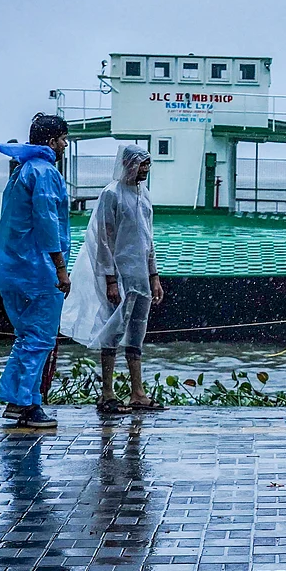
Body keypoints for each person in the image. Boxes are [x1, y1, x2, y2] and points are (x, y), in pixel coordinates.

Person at [60, 144, 165, 414]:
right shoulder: (111, 194)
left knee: (137, 330)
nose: (146, 169)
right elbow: (103, 240)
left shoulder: (144, 195)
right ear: (128, 164)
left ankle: (137, 393)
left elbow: (148, 239)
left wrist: (154, 275)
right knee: (112, 329)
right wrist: (109, 279)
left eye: (147, 164)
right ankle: (107, 393)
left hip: (140, 276)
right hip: (118, 274)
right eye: (142, 164)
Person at [0, 113, 72, 429]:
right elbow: (49, 223)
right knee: (40, 338)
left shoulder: (22, 170)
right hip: (38, 269)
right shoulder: (46, 173)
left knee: (27, 336)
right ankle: (24, 405)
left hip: (13, 268)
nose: (64, 144)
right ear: (51, 141)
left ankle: (23, 400)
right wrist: (61, 269)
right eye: (62, 139)